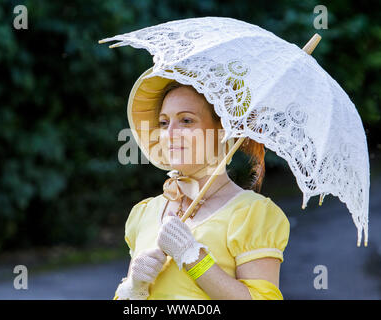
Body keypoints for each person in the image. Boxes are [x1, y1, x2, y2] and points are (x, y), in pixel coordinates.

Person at [114, 71, 290, 300]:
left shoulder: (252, 214)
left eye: (186, 120)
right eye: (164, 122)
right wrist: (134, 288)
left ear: (222, 131)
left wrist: (193, 257)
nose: (170, 134)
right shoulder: (144, 213)